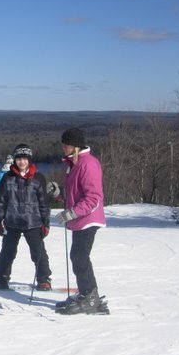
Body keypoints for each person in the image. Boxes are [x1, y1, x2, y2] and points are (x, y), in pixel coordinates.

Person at [54, 128, 107, 315]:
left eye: (66, 145)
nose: (63, 148)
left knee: (80, 257)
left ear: (75, 146)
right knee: (77, 257)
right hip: (80, 219)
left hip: (88, 219)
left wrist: (72, 213)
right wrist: (59, 194)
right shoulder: (74, 164)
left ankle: (91, 298)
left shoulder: (88, 164)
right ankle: (86, 295)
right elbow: (74, 195)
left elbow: (94, 198)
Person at [0, 144, 52, 290]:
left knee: (39, 252)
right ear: (15, 160)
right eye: (19, 159)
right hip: (12, 222)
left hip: (33, 222)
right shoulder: (7, 178)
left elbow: (44, 203)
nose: (22, 162)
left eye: (24, 159)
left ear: (29, 160)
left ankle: (43, 279)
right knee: (7, 252)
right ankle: (2, 277)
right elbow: (1, 202)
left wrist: (46, 223)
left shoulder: (38, 178)